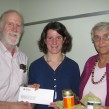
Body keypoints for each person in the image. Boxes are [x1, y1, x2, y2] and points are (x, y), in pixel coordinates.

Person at [28, 21, 80, 109]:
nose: (54, 42)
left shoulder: (73, 66)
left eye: (58, 37)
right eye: (50, 38)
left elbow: (77, 98)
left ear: (64, 39)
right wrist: (29, 91)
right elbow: (30, 99)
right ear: (44, 40)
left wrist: (66, 104)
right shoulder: (35, 66)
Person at [0, 10, 32, 109]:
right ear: (0, 27)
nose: (14, 29)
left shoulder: (23, 58)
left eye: (18, 25)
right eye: (10, 24)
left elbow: (22, 85)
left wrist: (29, 89)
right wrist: (13, 106)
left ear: (22, 31)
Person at [79, 22, 109, 106]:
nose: (101, 42)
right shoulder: (90, 62)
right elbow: (80, 93)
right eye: (97, 38)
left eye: (106, 37)